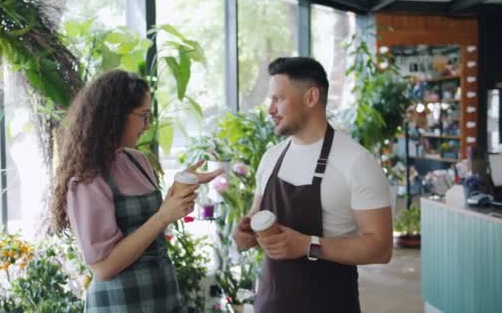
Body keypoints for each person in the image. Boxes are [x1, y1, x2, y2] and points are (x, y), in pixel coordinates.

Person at [51, 69, 223, 312]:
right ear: (115, 115)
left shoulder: (137, 161)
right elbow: (103, 268)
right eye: (143, 115)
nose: (147, 125)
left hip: (161, 297)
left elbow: (152, 224)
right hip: (119, 304)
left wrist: (181, 186)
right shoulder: (87, 178)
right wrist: (164, 216)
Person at [233, 57, 393, 312]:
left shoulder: (357, 162)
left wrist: (308, 245)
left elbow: (381, 248)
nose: (270, 110)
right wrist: (244, 234)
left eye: (278, 99)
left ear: (311, 98)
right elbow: (255, 218)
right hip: (271, 303)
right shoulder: (271, 158)